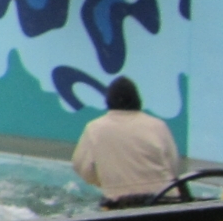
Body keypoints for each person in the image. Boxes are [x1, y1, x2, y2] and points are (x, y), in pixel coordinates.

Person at [72, 76, 181, 207]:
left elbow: (81, 166)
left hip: (119, 203)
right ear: (137, 99)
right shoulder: (157, 126)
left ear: (108, 100)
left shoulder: (94, 129)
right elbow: (173, 166)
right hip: (163, 200)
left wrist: (104, 182)